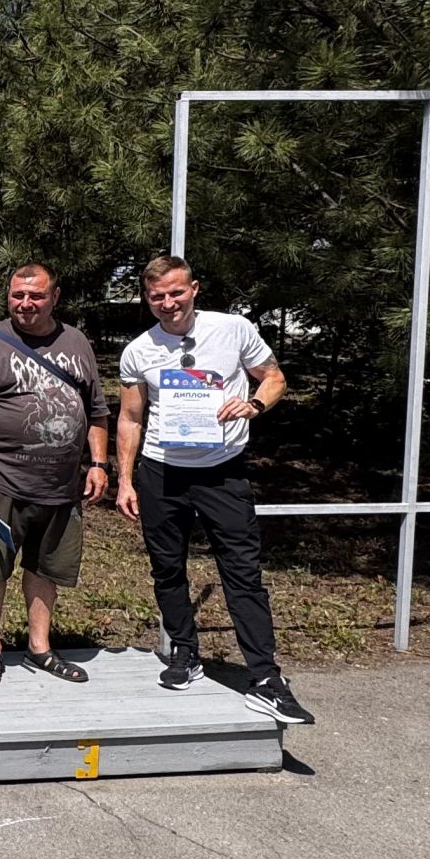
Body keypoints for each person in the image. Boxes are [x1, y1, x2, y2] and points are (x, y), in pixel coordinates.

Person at [116, 255, 315, 724]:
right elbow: (130, 417)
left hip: (222, 472)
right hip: (161, 473)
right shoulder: (138, 350)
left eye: (176, 292)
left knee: (242, 573)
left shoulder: (233, 329)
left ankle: (265, 677)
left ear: (194, 289)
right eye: (157, 296)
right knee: (168, 570)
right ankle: (184, 654)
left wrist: (254, 405)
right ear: (147, 298)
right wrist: (124, 479)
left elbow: (274, 378)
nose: (168, 303)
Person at [0, 263, 109, 688]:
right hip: (0, 481)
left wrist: (98, 463)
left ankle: (40, 646)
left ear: (55, 297)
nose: (26, 303)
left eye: (36, 295)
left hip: (60, 485)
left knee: (45, 567)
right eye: (18, 295)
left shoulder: (76, 342)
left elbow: (96, 411)